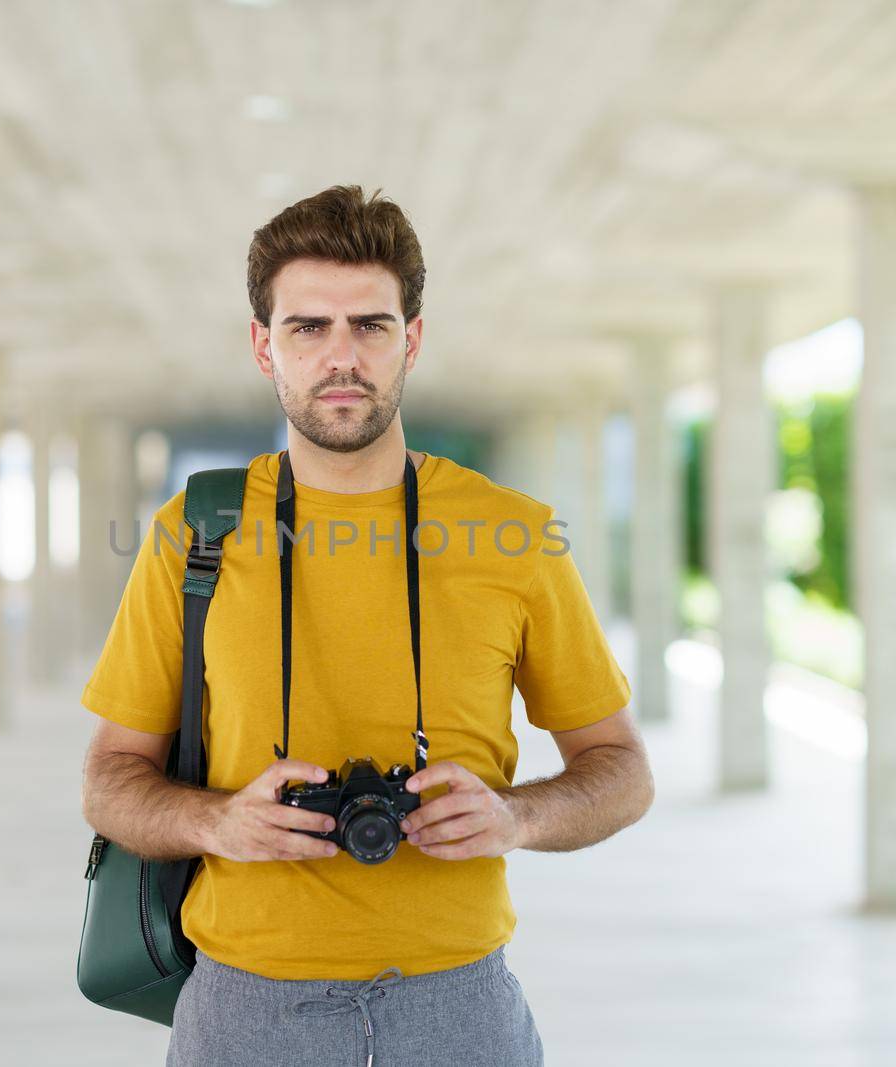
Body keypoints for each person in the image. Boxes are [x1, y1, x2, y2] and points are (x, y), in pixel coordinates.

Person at [80, 184, 654, 1066]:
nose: (341, 356)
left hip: (460, 1001)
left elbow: (622, 772)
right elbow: (109, 782)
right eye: (308, 327)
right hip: (242, 1003)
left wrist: (514, 816)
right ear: (263, 346)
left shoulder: (516, 535)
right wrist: (217, 823)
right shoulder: (192, 536)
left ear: (411, 340)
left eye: (371, 326)